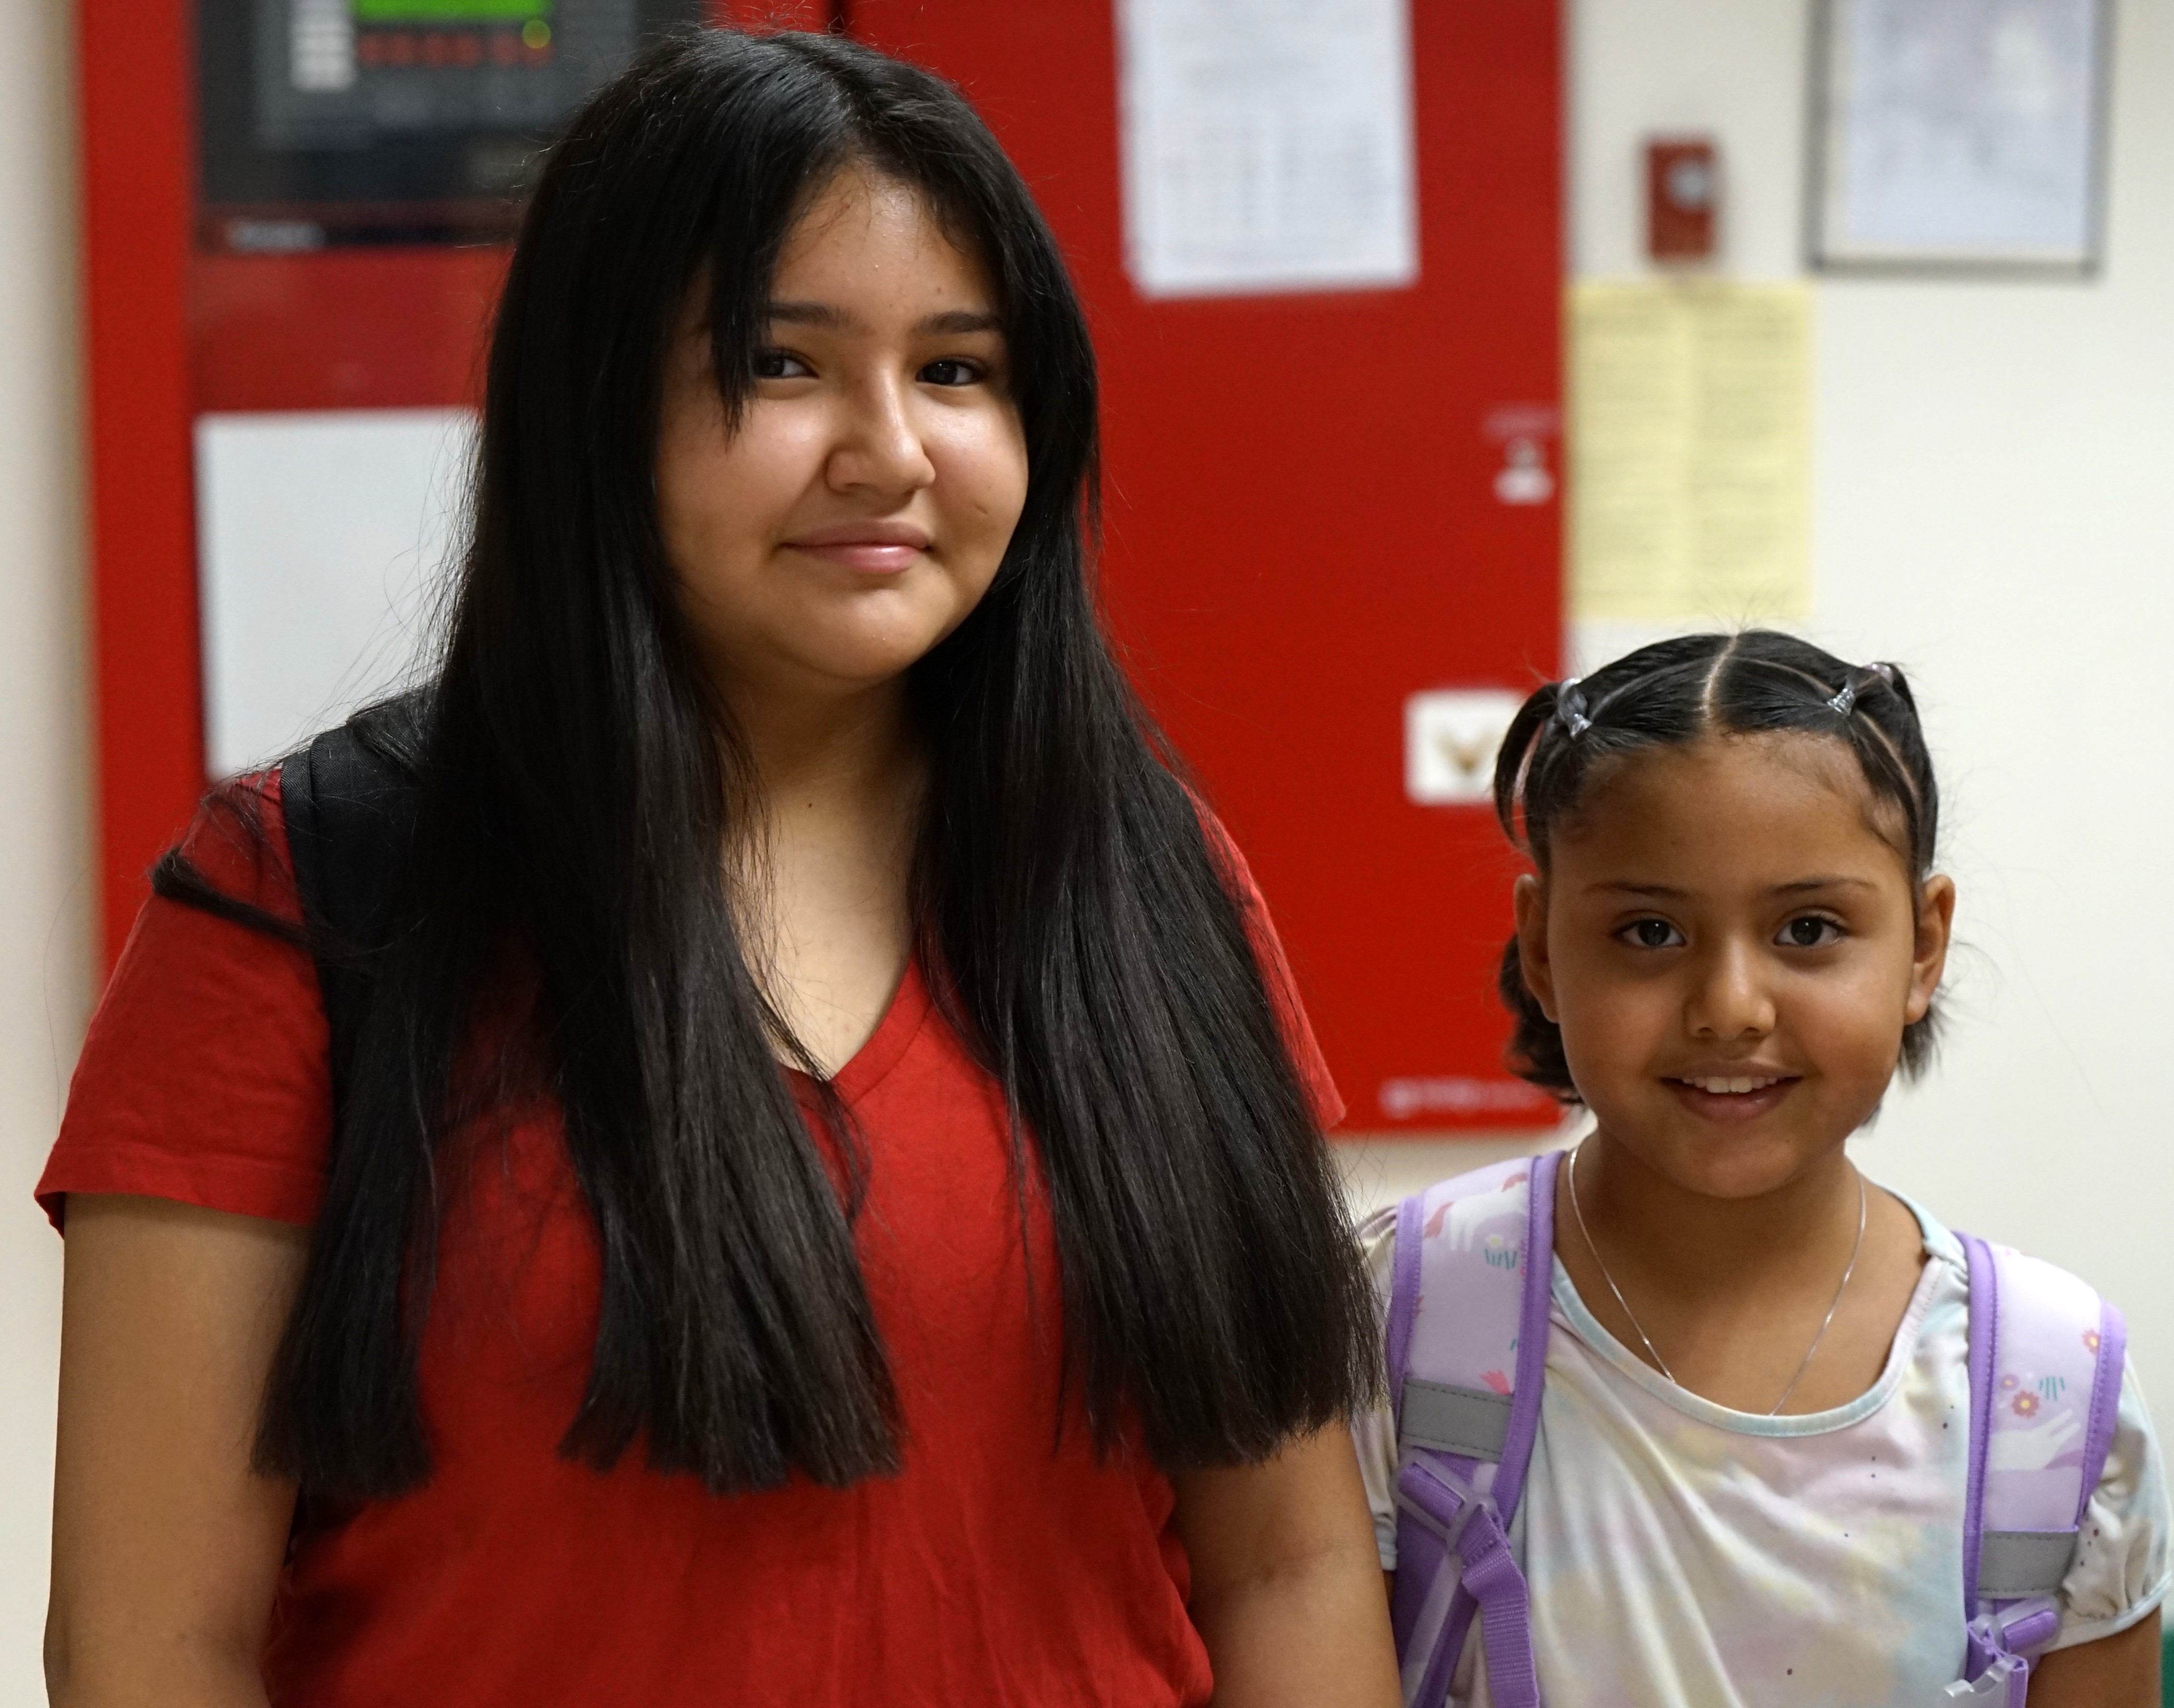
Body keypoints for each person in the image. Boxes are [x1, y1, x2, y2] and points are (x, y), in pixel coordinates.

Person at [40, 28, 1398, 1708]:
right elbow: (152, 1643)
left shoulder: (1151, 883)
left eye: (960, 370)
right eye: (779, 363)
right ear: (594, 408)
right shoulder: (308, 894)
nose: (888, 449)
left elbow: (1287, 1560)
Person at [1355, 631, 2168, 1705]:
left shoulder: (2051, 1396)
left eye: (1808, 927)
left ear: (1923, 948)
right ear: (1545, 947)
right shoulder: (1402, 1318)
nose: (1730, 1005)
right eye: (1649, 930)